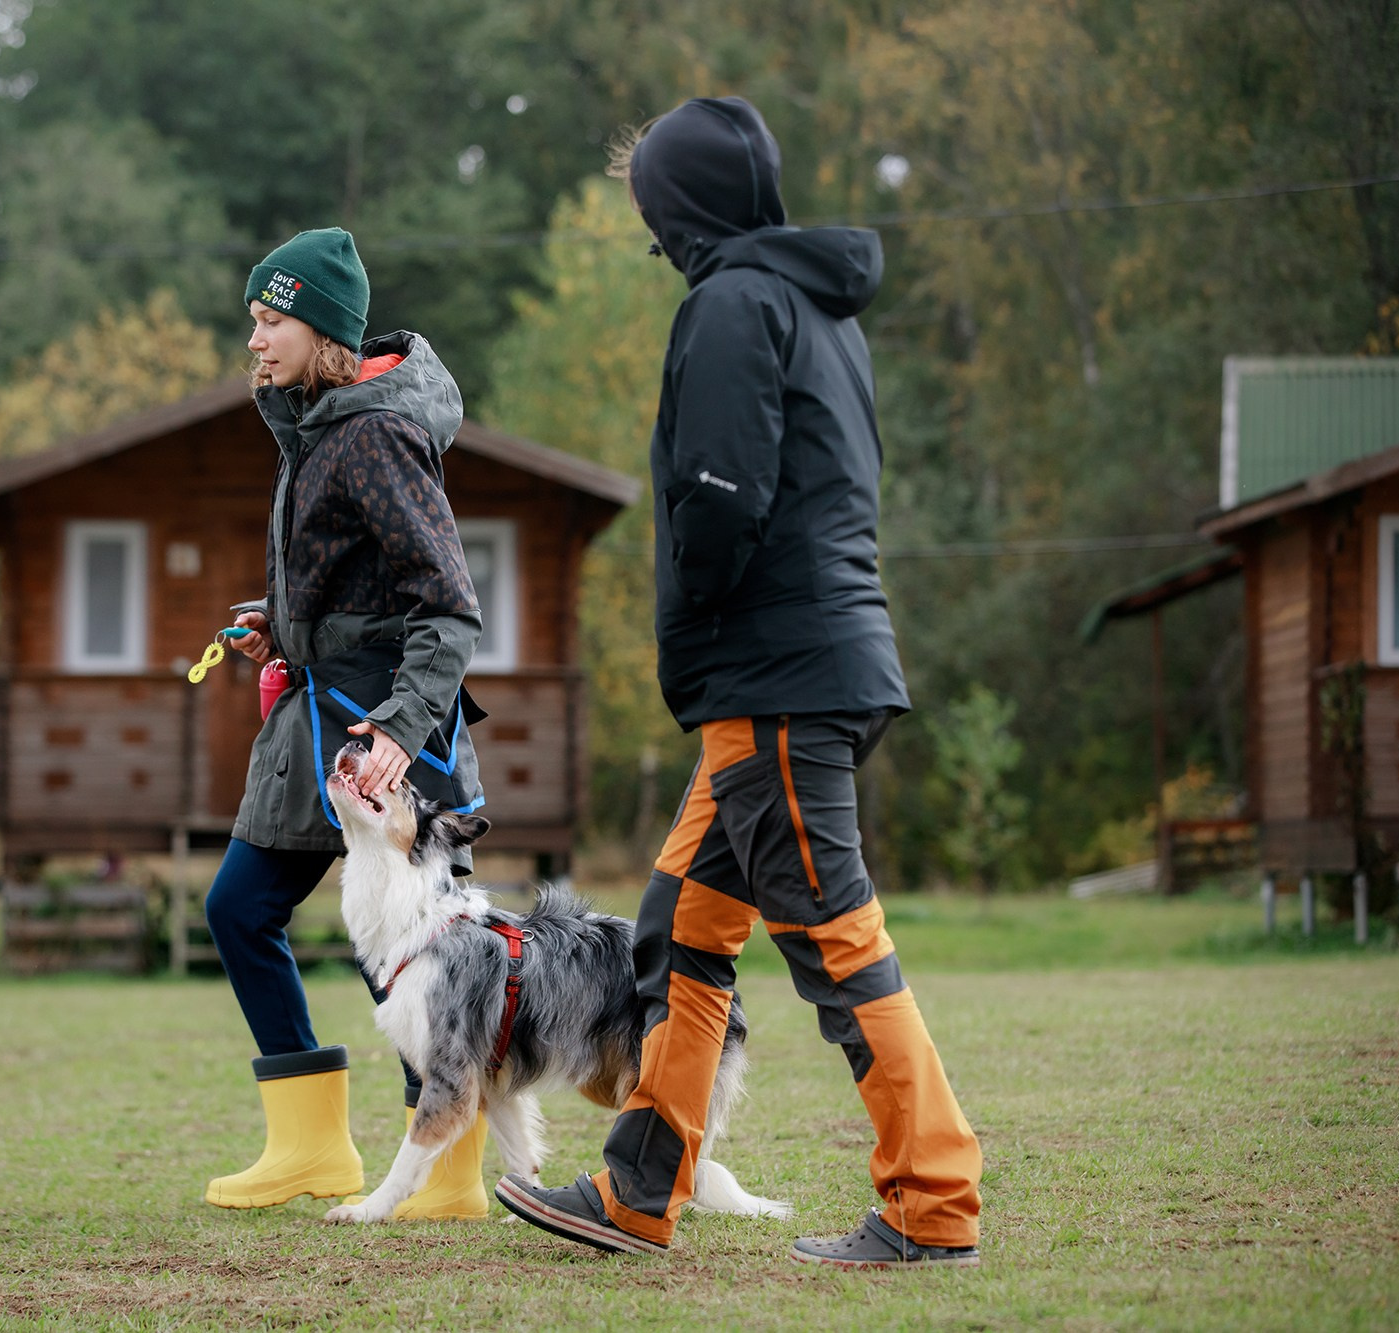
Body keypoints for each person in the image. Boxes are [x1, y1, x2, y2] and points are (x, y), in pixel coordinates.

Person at [493, 98, 984, 1268]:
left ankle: (933, 1200)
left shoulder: (728, 305)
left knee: (833, 939)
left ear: (678, 208)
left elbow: (718, 498)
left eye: (645, 208)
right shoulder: (815, 311)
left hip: (771, 679)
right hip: (792, 673)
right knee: (680, 937)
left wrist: (694, 632)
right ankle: (636, 1189)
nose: (644, 231)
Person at [201, 226, 491, 1219]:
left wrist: (397, 736)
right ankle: (311, 1144)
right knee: (239, 910)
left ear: (322, 328)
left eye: (271, 318)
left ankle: (446, 1175)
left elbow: (447, 610)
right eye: (253, 317)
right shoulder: (317, 423)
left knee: (428, 956)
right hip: (315, 724)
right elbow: (353, 584)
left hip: (385, 744)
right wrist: (279, 629)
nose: (255, 338)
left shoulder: (372, 434)